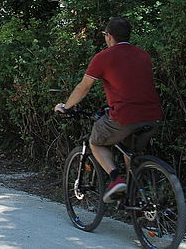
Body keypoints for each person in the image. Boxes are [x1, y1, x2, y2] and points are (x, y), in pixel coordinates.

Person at [55, 17, 163, 203]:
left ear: (109, 36)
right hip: (152, 116)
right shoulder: (143, 55)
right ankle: (134, 198)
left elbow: (83, 87)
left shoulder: (104, 57)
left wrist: (66, 107)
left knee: (96, 141)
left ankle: (116, 179)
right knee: (130, 152)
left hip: (124, 116)